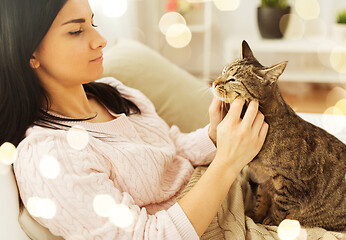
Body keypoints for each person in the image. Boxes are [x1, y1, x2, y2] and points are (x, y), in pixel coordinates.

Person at [0, 0, 268, 239]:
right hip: (225, 223)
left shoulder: (115, 93)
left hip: (246, 190)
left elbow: (171, 147)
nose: (101, 39)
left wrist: (214, 136)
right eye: (76, 30)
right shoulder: (49, 158)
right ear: (30, 52)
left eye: (93, 22)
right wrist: (227, 163)